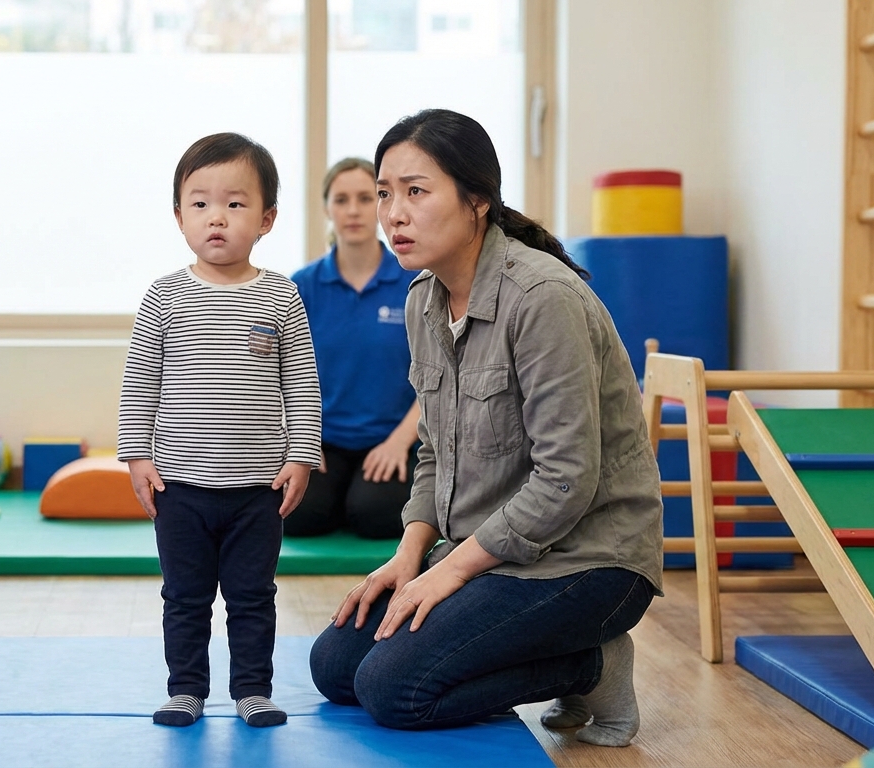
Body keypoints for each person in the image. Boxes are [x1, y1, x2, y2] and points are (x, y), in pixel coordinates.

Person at [307, 109, 663, 747]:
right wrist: (410, 556)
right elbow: (433, 452)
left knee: (392, 688)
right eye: (386, 194)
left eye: (416, 192)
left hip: (587, 562)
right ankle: (547, 646)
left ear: (477, 200)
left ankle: (592, 663)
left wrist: (449, 573)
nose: (393, 214)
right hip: (491, 551)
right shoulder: (423, 299)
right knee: (336, 666)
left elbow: (565, 480)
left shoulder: (543, 298)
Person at [118, 132, 323, 729]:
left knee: (253, 597)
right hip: (179, 486)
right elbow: (140, 380)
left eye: (235, 204)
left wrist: (301, 454)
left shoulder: (280, 295)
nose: (217, 217)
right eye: (201, 203)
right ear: (179, 216)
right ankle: (185, 690)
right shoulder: (164, 296)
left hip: (256, 490)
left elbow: (301, 381)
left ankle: (253, 690)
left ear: (266, 219)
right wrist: (136, 456)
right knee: (184, 598)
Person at [289, 158, 423, 540]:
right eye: (341, 199)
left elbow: (439, 375)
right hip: (323, 441)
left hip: (394, 438)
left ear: (383, 205)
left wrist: (400, 443)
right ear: (326, 208)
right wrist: (300, 442)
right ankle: (340, 495)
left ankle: (353, 498)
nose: (353, 210)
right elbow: (280, 373)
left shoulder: (415, 282)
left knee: (374, 516)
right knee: (298, 517)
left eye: (366, 198)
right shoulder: (302, 286)